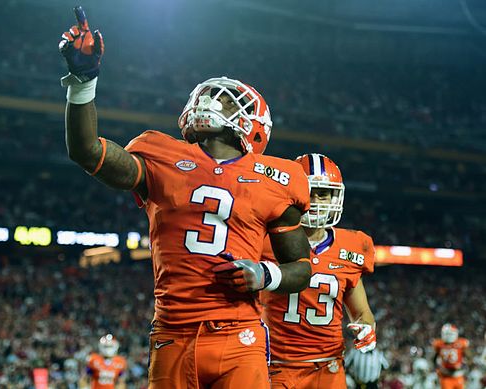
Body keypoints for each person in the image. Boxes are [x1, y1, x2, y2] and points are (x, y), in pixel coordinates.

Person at [59, 6, 312, 389]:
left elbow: (301, 267)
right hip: (173, 334)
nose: (210, 103)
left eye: (224, 101)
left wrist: (265, 273)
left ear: (253, 124)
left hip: (239, 335)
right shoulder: (161, 155)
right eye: (208, 97)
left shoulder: (278, 178)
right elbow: (87, 152)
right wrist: (83, 80)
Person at [261, 153, 377, 389]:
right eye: (308, 192)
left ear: (335, 197)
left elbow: (362, 312)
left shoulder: (354, 245)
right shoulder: (263, 239)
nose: (314, 201)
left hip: (328, 367)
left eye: (322, 194)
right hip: (275, 364)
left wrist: (366, 328)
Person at [432, 323, 470, 389]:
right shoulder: (439, 344)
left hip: (458, 374)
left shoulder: (461, 343)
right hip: (445, 376)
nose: (448, 336)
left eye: (450, 334)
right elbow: (434, 359)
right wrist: (439, 368)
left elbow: (469, 357)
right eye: (447, 334)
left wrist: (464, 366)